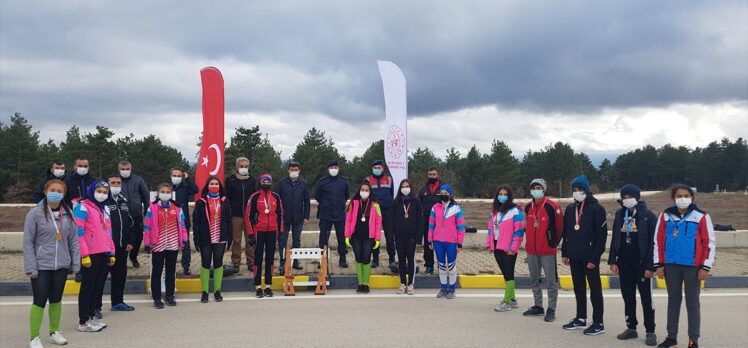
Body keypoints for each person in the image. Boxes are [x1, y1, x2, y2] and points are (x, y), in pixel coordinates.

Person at [654, 184, 715, 348]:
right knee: (673, 301)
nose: (683, 198)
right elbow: (658, 241)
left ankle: (693, 340)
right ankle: (671, 337)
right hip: (670, 266)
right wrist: (658, 264)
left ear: (692, 197)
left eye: (686, 195)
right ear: (673, 198)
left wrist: (705, 267)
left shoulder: (701, 216)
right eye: (679, 196)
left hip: (693, 267)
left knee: (692, 303)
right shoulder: (665, 216)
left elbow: (709, 242)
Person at [24, 179, 80, 347]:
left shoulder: (68, 213)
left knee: (56, 299)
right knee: (39, 300)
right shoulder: (35, 214)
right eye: (53, 189)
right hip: (41, 265)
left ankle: (54, 332)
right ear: (46, 191)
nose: (56, 193)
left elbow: (74, 241)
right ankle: (34, 337)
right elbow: (28, 242)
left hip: (61, 264)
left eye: (59, 190)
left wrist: (75, 263)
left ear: (63, 194)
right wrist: (30, 266)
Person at [609, 184, 657, 346]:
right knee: (628, 297)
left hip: (642, 264)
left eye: (630, 197)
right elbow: (616, 238)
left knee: (646, 299)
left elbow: (654, 243)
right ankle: (631, 327)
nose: (627, 200)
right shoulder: (619, 214)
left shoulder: (648, 216)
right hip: (624, 263)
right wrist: (613, 260)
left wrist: (651, 266)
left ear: (638, 197)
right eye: (625, 198)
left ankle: (650, 331)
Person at [561, 175, 608, 336]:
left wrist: (594, 258)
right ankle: (581, 318)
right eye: (574, 190)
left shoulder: (597, 209)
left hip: (589, 258)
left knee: (595, 289)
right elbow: (566, 233)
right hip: (574, 256)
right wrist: (565, 252)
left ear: (587, 191)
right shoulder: (570, 209)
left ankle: (598, 322)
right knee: (578, 288)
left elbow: (601, 238)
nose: (577, 192)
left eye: (580, 189)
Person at [73, 180, 115, 332]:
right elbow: (79, 233)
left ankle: (91, 317)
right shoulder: (82, 207)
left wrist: (111, 252)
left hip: (103, 253)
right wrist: (84, 255)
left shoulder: (104, 209)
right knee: (87, 288)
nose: (102, 195)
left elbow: (108, 232)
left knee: (97, 287)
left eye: (105, 192)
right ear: (92, 191)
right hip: (90, 254)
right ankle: (83, 321)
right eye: (100, 191)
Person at [522, 178, 563, 322]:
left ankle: (551, 309)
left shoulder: (552, 206)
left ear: (544, 189)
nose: (536, 190)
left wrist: (553, 244)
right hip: (531, 250)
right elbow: (526, 226)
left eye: (539, 187)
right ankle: (538, 306)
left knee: (551, 281)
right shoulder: (527, 207)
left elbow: (559, 228)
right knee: (534, 280)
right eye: (533, 187)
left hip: (547, 251)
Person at [144, 183, 188, 309]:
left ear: (171, 194)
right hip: (158, 244)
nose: (165, 193)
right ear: (158, 194)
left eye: (167, 191)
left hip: (173, 243)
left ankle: (169, 296)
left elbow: (183, 225)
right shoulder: (151, 208)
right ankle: (157, 298)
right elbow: (147, 227)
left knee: (171, 270)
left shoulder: (177, 208)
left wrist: (184, 240)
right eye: (162, 191)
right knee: (157, 271)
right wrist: (147, 243)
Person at [193, 176, 232, 303]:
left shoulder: (224, 200)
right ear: (207, 186)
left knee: (218, 263)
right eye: (212, 183)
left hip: (220, 237)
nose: (214, 185)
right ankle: (204, 292)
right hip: (206, 238)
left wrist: (229, 236)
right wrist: (196, 239)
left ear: (219, 186)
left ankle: (217, 291)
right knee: (205, 263)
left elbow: (228, 220)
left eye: (216, 184)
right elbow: (196, 222)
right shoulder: (201, 202)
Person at [486, 185, 525, 312]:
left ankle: (506, 302)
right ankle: (513, 299)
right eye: (500, 194)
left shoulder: (515, 211)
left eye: (505, 194)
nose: (502, 196)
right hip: (497, 246)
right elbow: (491, 229)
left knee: (508, 274)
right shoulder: (495, 211)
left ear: (509, 196)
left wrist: (513, 248)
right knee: (506, 274)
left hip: (509, 248)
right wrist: (490, 244)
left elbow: (519, 231)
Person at [246, 173, 284, 298]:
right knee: (258, 259)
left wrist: (281, 231)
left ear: (271, 183)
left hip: (272, 231)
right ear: (260, 182)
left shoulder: (276, 197)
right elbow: (248, 216)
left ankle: (268, 286)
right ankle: (257, 286)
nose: (266, 184)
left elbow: (281, 215)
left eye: (268, 182)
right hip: (258, 231)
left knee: (270, 258)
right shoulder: (255, 196)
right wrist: (250, 234)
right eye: (264, 181)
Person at [344, 181, 382, 294]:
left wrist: (378, 238)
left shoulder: (375, 205)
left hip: (369, 237)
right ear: (359, 191)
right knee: (358, 258)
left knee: (366, 258)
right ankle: (360, 284)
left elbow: (378, 222)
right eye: (362, 190)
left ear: (370, 192)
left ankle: (366, 283)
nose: (364, 192)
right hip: (355, 236)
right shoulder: (353, 203)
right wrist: (347, 235)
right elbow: (348, 220)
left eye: (366, 190)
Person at [106, 174, 137, 312]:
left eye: (118, 183)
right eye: (113, 182)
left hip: (122, 246)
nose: (116, 185)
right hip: (106, 247)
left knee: (120, 276)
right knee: (100, 278)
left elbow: (129, 223)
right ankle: (95, 307)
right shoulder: (103, 201)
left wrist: (130, 241)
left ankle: (117, 302)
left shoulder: (123, 200)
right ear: (107, 184)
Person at [428, 184, 464, 299]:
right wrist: (430, 240)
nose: (443, 195)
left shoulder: (456, 208)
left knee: (452, 266)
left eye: (446, 194)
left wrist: (459, 243)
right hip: (438, 241)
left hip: (451, 242)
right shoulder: (435, 207)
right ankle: (443, 288)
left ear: (450, 194)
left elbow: (461, 227)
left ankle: (452, 289)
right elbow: (431, 225)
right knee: (441, 266)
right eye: (442, 193)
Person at [275, 161, 310, 272]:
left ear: (299, 171)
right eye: (292, 169)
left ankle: (295, 262)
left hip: (298, 217)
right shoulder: (282, 183)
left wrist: (306, 217)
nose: (294, 171)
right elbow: (277, 200)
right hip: (284, 218)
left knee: (297, 241)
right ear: (288, 170)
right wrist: (277, 215)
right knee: (282, 240)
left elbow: (307, 201)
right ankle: (282, 262)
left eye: (296, 170)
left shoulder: (303, 184)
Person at [315, 160, 350, 268]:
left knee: (341, 238)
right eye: (331, 167)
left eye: (335, 167)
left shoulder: (344, 181)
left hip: (339, 214)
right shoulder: (322, 181)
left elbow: (346, 195)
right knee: (323, 238)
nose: (333, 169)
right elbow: (317, 196)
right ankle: (323, 260)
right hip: (325, 214)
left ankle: (342, 259)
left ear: (338, 169)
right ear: (328, 169)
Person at [225, 157, 257, 272]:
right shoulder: (230, 180)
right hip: (236, 215)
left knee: (250, 240)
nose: (244, 168)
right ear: (237, 167)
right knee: (236, 240)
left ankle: (251, 262)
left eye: (246, 166)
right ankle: (236, 263)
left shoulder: (253, 180)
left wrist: (255, 212)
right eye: (241, 166)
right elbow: (227, 197)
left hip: (249, 216)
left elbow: (256, 197)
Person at [392, 179, 423, 295]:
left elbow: (420, 221)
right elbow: (391, 220)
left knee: (410, 260)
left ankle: (410, 284)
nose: (405, 188)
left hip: (411, 236)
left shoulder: (416, 202)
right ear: (400, 189)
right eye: (403, 186)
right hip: (399, 236)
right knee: (400, 260)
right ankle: (402, 283)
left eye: (407, 186)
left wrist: (419, 238)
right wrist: (392, 236)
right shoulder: (396, 202)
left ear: (410, 188)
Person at [118, 161, 149, 269]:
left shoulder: (138, 180)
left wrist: (146, 212)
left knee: (138, 237)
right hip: (122, 215)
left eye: (127, 169)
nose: (125, 171)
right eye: (123, 169)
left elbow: (145, 195)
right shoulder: (116, 181)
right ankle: (122, 259)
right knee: (124, 238)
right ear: (119, 169)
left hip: (136, 214)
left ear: (131, 169)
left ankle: (134, 256)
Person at [367, 160, 396, 270]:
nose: (377, 169)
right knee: (374, 237)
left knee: (390, 237)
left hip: (388, 211)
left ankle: (392, 259)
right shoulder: (368, 180)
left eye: (379, 168)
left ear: (383, 168)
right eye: (375, 168)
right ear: (372, 169)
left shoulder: (389, 179)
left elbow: (393, 194)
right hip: (374, 212)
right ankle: (375, 259)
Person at [171, 167, 199, 275]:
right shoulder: (167, 188)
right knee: (171, 246)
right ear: (171, 176)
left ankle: (186, 267)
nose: (177, 178)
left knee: (186, 246)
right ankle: (171, 266)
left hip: (183, 221)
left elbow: (195, 190)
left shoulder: (185, 187)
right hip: (169, 222)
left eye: (179, 176)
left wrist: (188, 179)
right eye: (175, 176)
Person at [417, 167, 445, 275]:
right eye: (430, 174)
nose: (432, 176)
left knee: (440, 244)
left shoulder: (443, 188)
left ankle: (442, 266)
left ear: (437, 175)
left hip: (440, 222)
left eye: (434, 174)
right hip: (426, 222)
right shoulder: (423, 189)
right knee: (428, 245)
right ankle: (429, 266)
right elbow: (418, 204)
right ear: (427, 175)